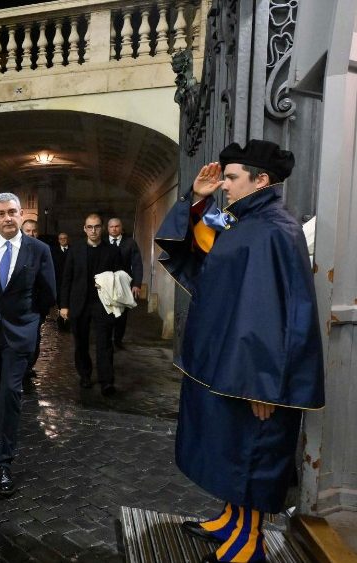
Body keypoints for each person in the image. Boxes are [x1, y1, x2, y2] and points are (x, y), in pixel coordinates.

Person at [155, 140, 324, 563]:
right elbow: (198, 244)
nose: (224, 185)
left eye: (232, 177)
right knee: (230, 445)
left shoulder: (273, 230)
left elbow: (273, 313)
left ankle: (249, 542)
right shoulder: (244, 220)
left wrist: (264, 385)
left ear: (260, 180)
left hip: (253, 374)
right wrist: (197, 197)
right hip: (228, 363)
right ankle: (232, 519)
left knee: (251, 449)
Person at [0, 194, 55, 498]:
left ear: (21, 215)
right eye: (1, 213)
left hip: (20, 335)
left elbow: (47, 294)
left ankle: (3, 464)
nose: (7, 218)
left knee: (10, 391)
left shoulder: (39, 250)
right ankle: (4, 424)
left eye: (12, 212)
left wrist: (30, 323)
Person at [59, 214, 122, 396]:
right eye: (90, 227)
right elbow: (67, 278)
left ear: (101, 228)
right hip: (79, 303)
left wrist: (107, 281)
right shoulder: (76, 249)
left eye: (96, 227)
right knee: (81, 342)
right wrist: (63, 305)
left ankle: (107, 381)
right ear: (84, 229)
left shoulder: (111, 251)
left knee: (105, 343)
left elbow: (121, 276)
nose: (93, 230)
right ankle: (85, 375)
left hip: (103, 303)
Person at [22, 219, 54, 378]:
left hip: (37, 305)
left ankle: (29, 366)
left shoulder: (44, 250)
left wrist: (46, 305)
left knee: (34, 337)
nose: (31, 234)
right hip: (19, 306)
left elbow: (49, 279)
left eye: (34, 230)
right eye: (27, 231)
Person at [106, 218, 143, 350]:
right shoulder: (103, 243)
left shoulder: (130, 243)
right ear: (108, 228)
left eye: (117, 226)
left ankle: (118, 340)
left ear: (121, 228)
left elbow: (137, 264)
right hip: (107, 285)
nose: (114, 229)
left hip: (125, 285)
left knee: (122, 314)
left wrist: (137, 284)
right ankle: (106, 339)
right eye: (112, 227)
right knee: (107, 312)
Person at [51, 232, 71, 331]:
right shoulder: (53, 252)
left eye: (65, 238)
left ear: (68, 239)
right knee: (60, 304)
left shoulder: (73, 250)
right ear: (58, 240)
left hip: (70, 282)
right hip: (59, 282)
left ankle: (68, 324)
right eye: (61, 238)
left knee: (70, 304)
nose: (63, 240)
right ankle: (60, 324)